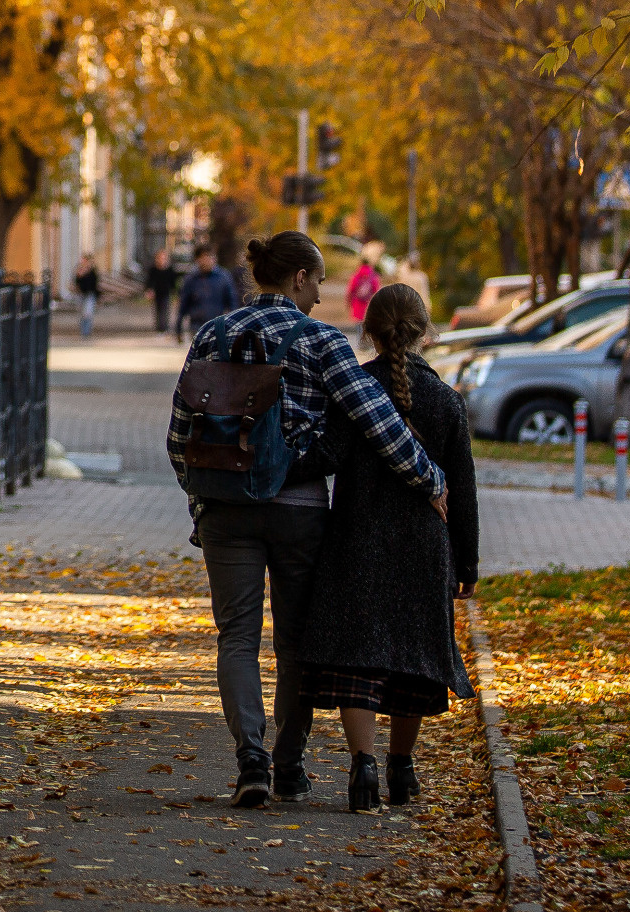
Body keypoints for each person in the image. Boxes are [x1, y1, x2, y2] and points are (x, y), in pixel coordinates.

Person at [168, 234, 448, 810]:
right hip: (297, 508)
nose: (321, 297)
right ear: (298, 278)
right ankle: (288, 766)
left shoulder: (212, 335)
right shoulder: (321, 340)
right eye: (318, 282)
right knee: (296, 642)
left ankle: (251, 760)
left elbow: (179, 437)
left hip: (225, 511)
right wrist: (431, 480)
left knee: (237, 638)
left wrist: (202, 503)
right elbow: (378, 421)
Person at [300, 281, 480, 812]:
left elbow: (326, 455)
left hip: (357, 540)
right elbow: (462, 490)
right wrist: (466, 561)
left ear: (369, 330)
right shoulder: (446, 401)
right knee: (414, 661)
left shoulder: (354, 391)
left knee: (359, 658)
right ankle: (402, 768)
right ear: (425, 332)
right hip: (424, 550)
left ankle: (363, 766)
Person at [176, 246, 239, 336]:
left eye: (210, 257)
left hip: (218, 324)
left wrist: (233, 324)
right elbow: (183, 303)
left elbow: (232, 300)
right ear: (197, 259)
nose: (207, 260)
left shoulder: (223, 277)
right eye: (203, 257)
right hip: (196, 326)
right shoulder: (191, 278)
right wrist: (178, 328)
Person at [146, 250, 183, 335]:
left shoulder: (170, 270)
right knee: (157, 310)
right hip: (157, 292)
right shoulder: (153, 269)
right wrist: (149, 290)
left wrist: (176, 294)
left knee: (165, 309)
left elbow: (173, 283)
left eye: (164, 258)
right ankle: (159, 327)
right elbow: (150, 281)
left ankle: (164, 327)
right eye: (160, 258)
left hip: (166, 292)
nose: (162, 260)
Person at [73, 254, 105, 341]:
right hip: (81, 294)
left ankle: (86, 332)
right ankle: (83, 331)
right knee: (82, 314)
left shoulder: (93, 271)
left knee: (88, 313)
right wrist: (80, 275)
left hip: (90, 294)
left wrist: (98, 297)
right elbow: (76, 282)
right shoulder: (79, 270)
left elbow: (95, 284)